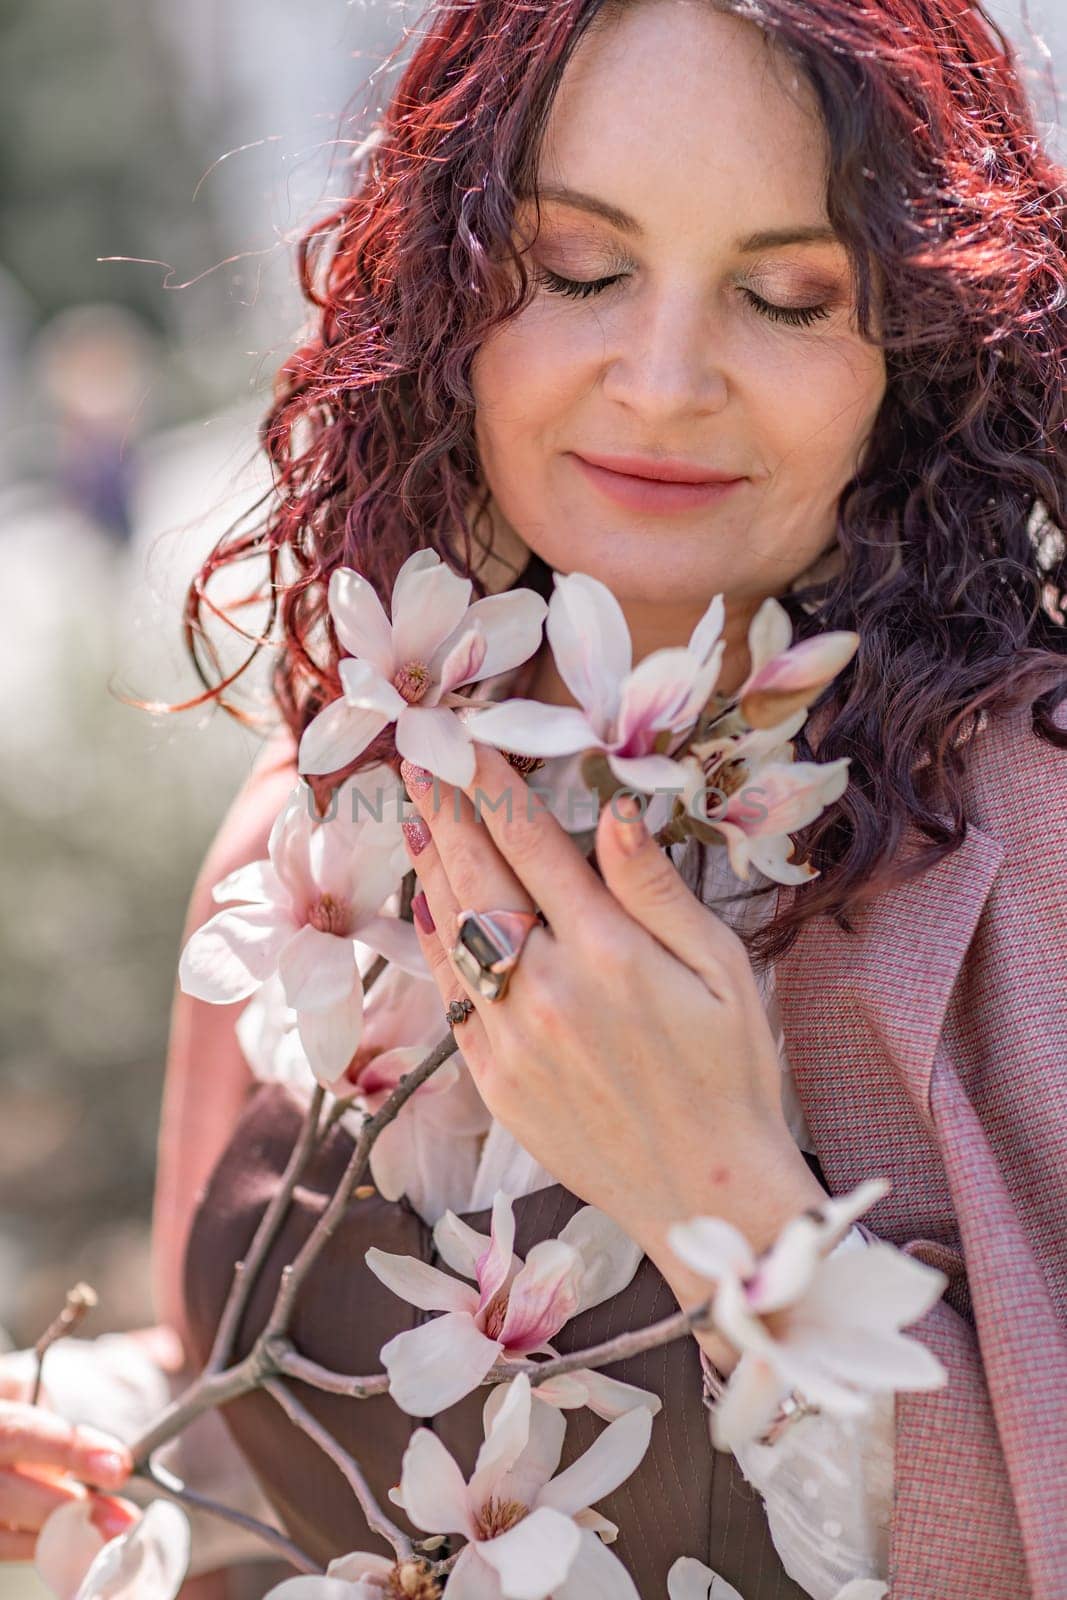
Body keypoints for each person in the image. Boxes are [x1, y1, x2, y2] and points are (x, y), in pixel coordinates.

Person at [3, 1, 1066, 1596]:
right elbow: (309, 1430)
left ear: (914, 348)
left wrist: (725, 1199)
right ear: (450, 296)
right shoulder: (339, 782)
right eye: (580, 271)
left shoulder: (1033, 851)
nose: (663, 379)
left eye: (787, 297)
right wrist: (93, 1436)